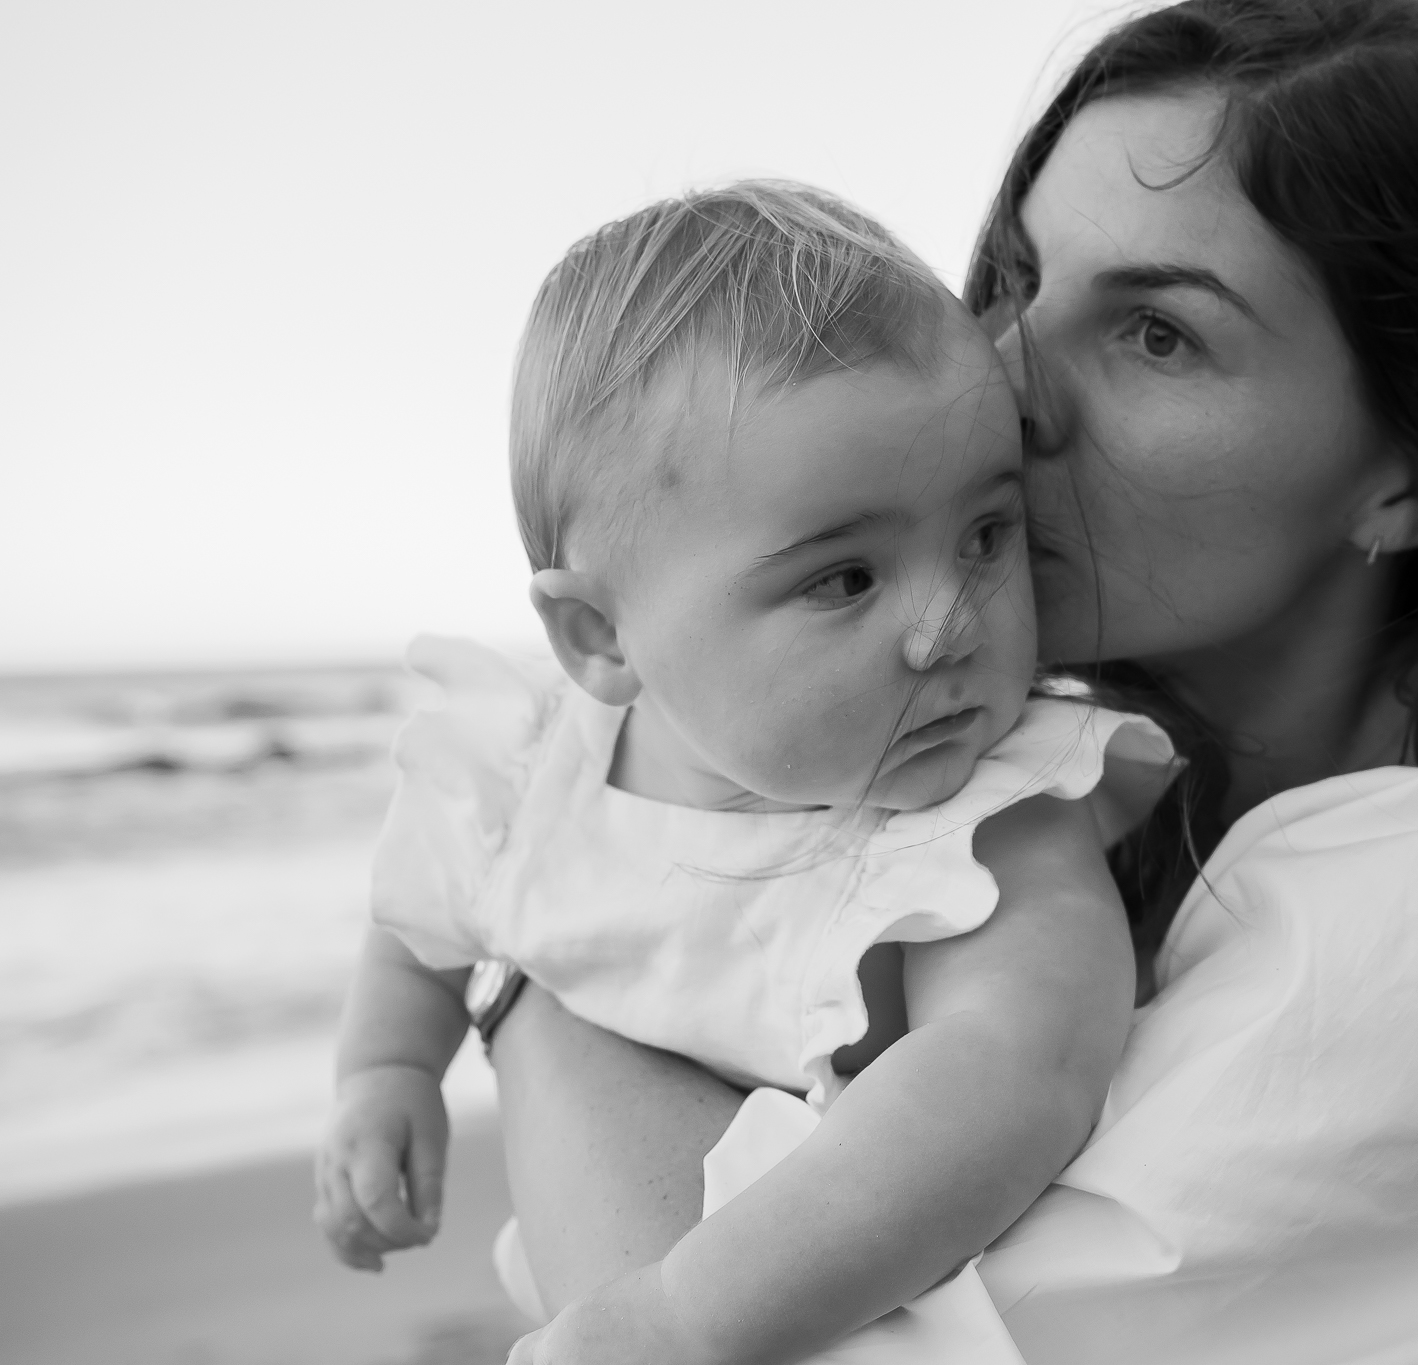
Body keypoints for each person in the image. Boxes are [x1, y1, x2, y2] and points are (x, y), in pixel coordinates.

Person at [483, 2, 1418, 1363]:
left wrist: (536, 978)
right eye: (1018, 278)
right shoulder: (1056, 833)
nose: (1003, 380)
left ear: (1412, 475)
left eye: (1156, 332)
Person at [311, 182, 1178, 1363]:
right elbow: (431, 910)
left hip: (817, 1277)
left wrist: (683, 1312)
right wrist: (386, 1069)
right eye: (844, 580)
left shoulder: (989, 817)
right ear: (602, 639)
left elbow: (1016, 1074)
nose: (949, 626)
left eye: (985, 535)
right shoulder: (526, 772)